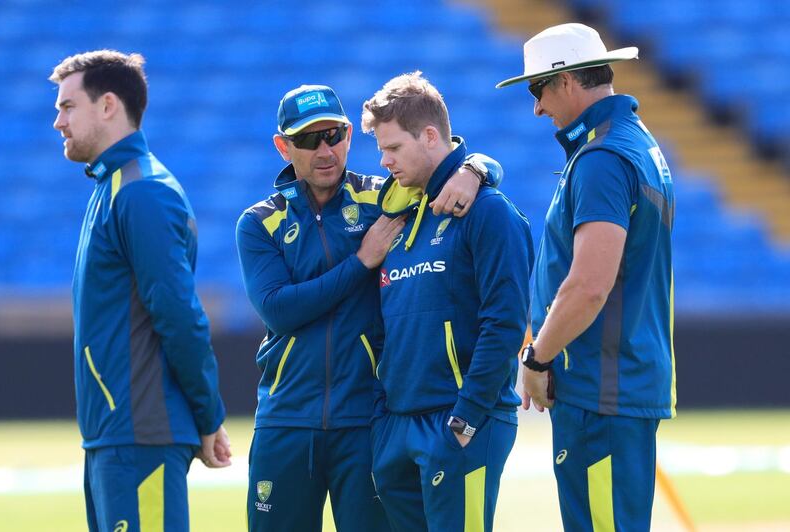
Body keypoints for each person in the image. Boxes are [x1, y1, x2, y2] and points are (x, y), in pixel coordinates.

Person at [235, 84, 501, 532]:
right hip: (286, 420)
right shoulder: (261, 221)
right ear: (283, 146)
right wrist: (362, 261)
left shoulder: (382, 196)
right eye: (308, 139)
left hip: (366, 421)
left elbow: (442, 165)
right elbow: (278, 310)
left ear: (348, 137)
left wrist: (476, 169)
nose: (325, 150)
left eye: (335, 134)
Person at [497, 23, 676, 531]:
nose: (536, 107)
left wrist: (538, 356)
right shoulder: (633, 143)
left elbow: (589, 284)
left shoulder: (601, 158)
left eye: (538, 89)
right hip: (616, 383)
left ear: (567, 80)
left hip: (601, 388)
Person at [51, 50, 231, 532]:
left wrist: (208, 413)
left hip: (139, 432)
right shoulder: (111, 188)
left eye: (68, 107)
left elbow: (179, 313)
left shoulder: (140, 193)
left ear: (108, 105)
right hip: (115, 434)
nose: (58, 122)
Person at [361, 72, 534, 531]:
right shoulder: (395, 213)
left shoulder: (489, 212)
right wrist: (384, 417)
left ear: (431, 135)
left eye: (393, 148)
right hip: (397, 425)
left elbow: (506, 322)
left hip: (460, 423)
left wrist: (468, 416)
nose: (384, 161)